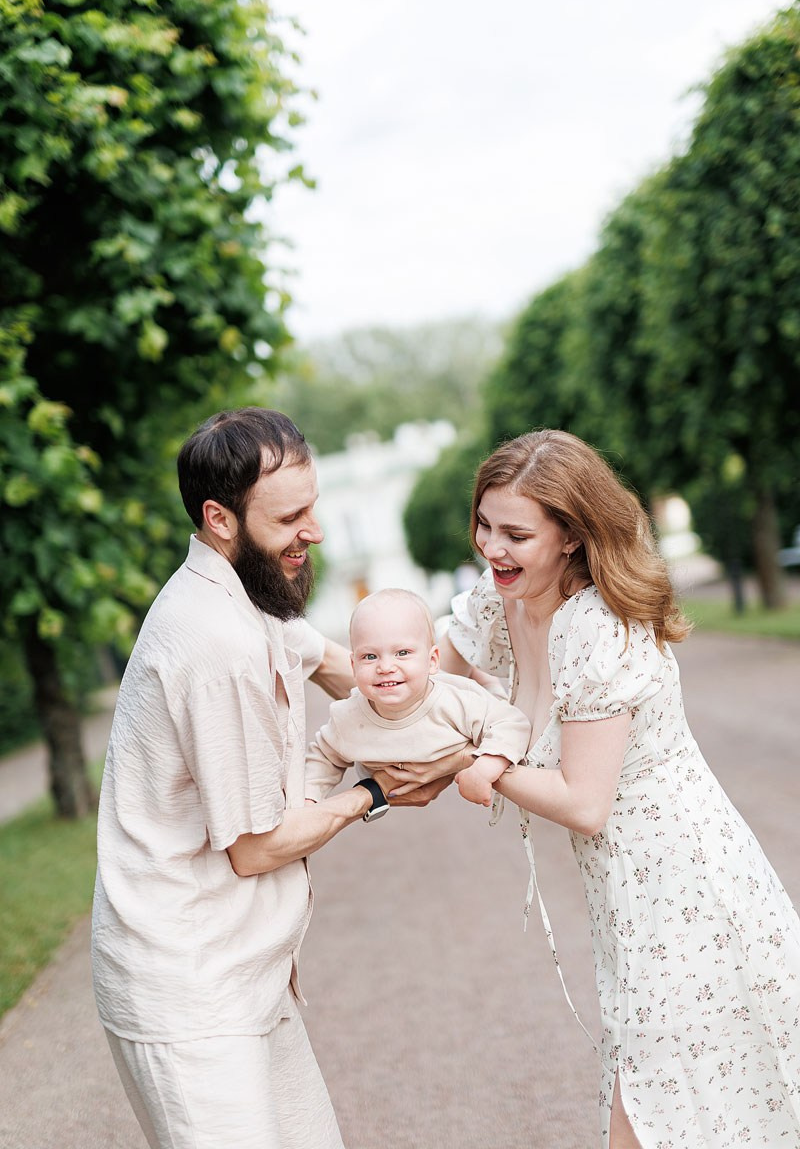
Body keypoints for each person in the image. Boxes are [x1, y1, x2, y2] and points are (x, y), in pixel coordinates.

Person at [426, 428, 800, 1148]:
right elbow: (418, 682)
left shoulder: (599, 628)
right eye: (484, 525)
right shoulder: (501, 596)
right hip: (624, 904)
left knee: (662, 1118)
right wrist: (313, 660)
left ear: (569, 536)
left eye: (515, 534)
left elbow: (585, 803)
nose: (491, 548)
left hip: (689, 895)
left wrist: (486, 763)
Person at [91, 408, 444, 1149]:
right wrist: (376, 791)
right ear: (220, 519)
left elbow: (350, 671)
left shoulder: (253, 596)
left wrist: (463, 715)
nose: (313, 531)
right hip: (190, 994)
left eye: (312, 506)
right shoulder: (212, 642)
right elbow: (254, 849)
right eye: (290, 517)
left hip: (251, 971)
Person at [304, 588, 531, 804]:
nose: (385, 667)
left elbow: (512, 723)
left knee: (493, 699)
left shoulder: (456, 701)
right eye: (370, 656)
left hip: (458, 706)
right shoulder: (347, 716)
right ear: (353, 665)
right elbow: (324, 756)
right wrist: (309, 798)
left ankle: (481, 674)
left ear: (432, 661)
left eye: (402, 653)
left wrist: (484, 769)